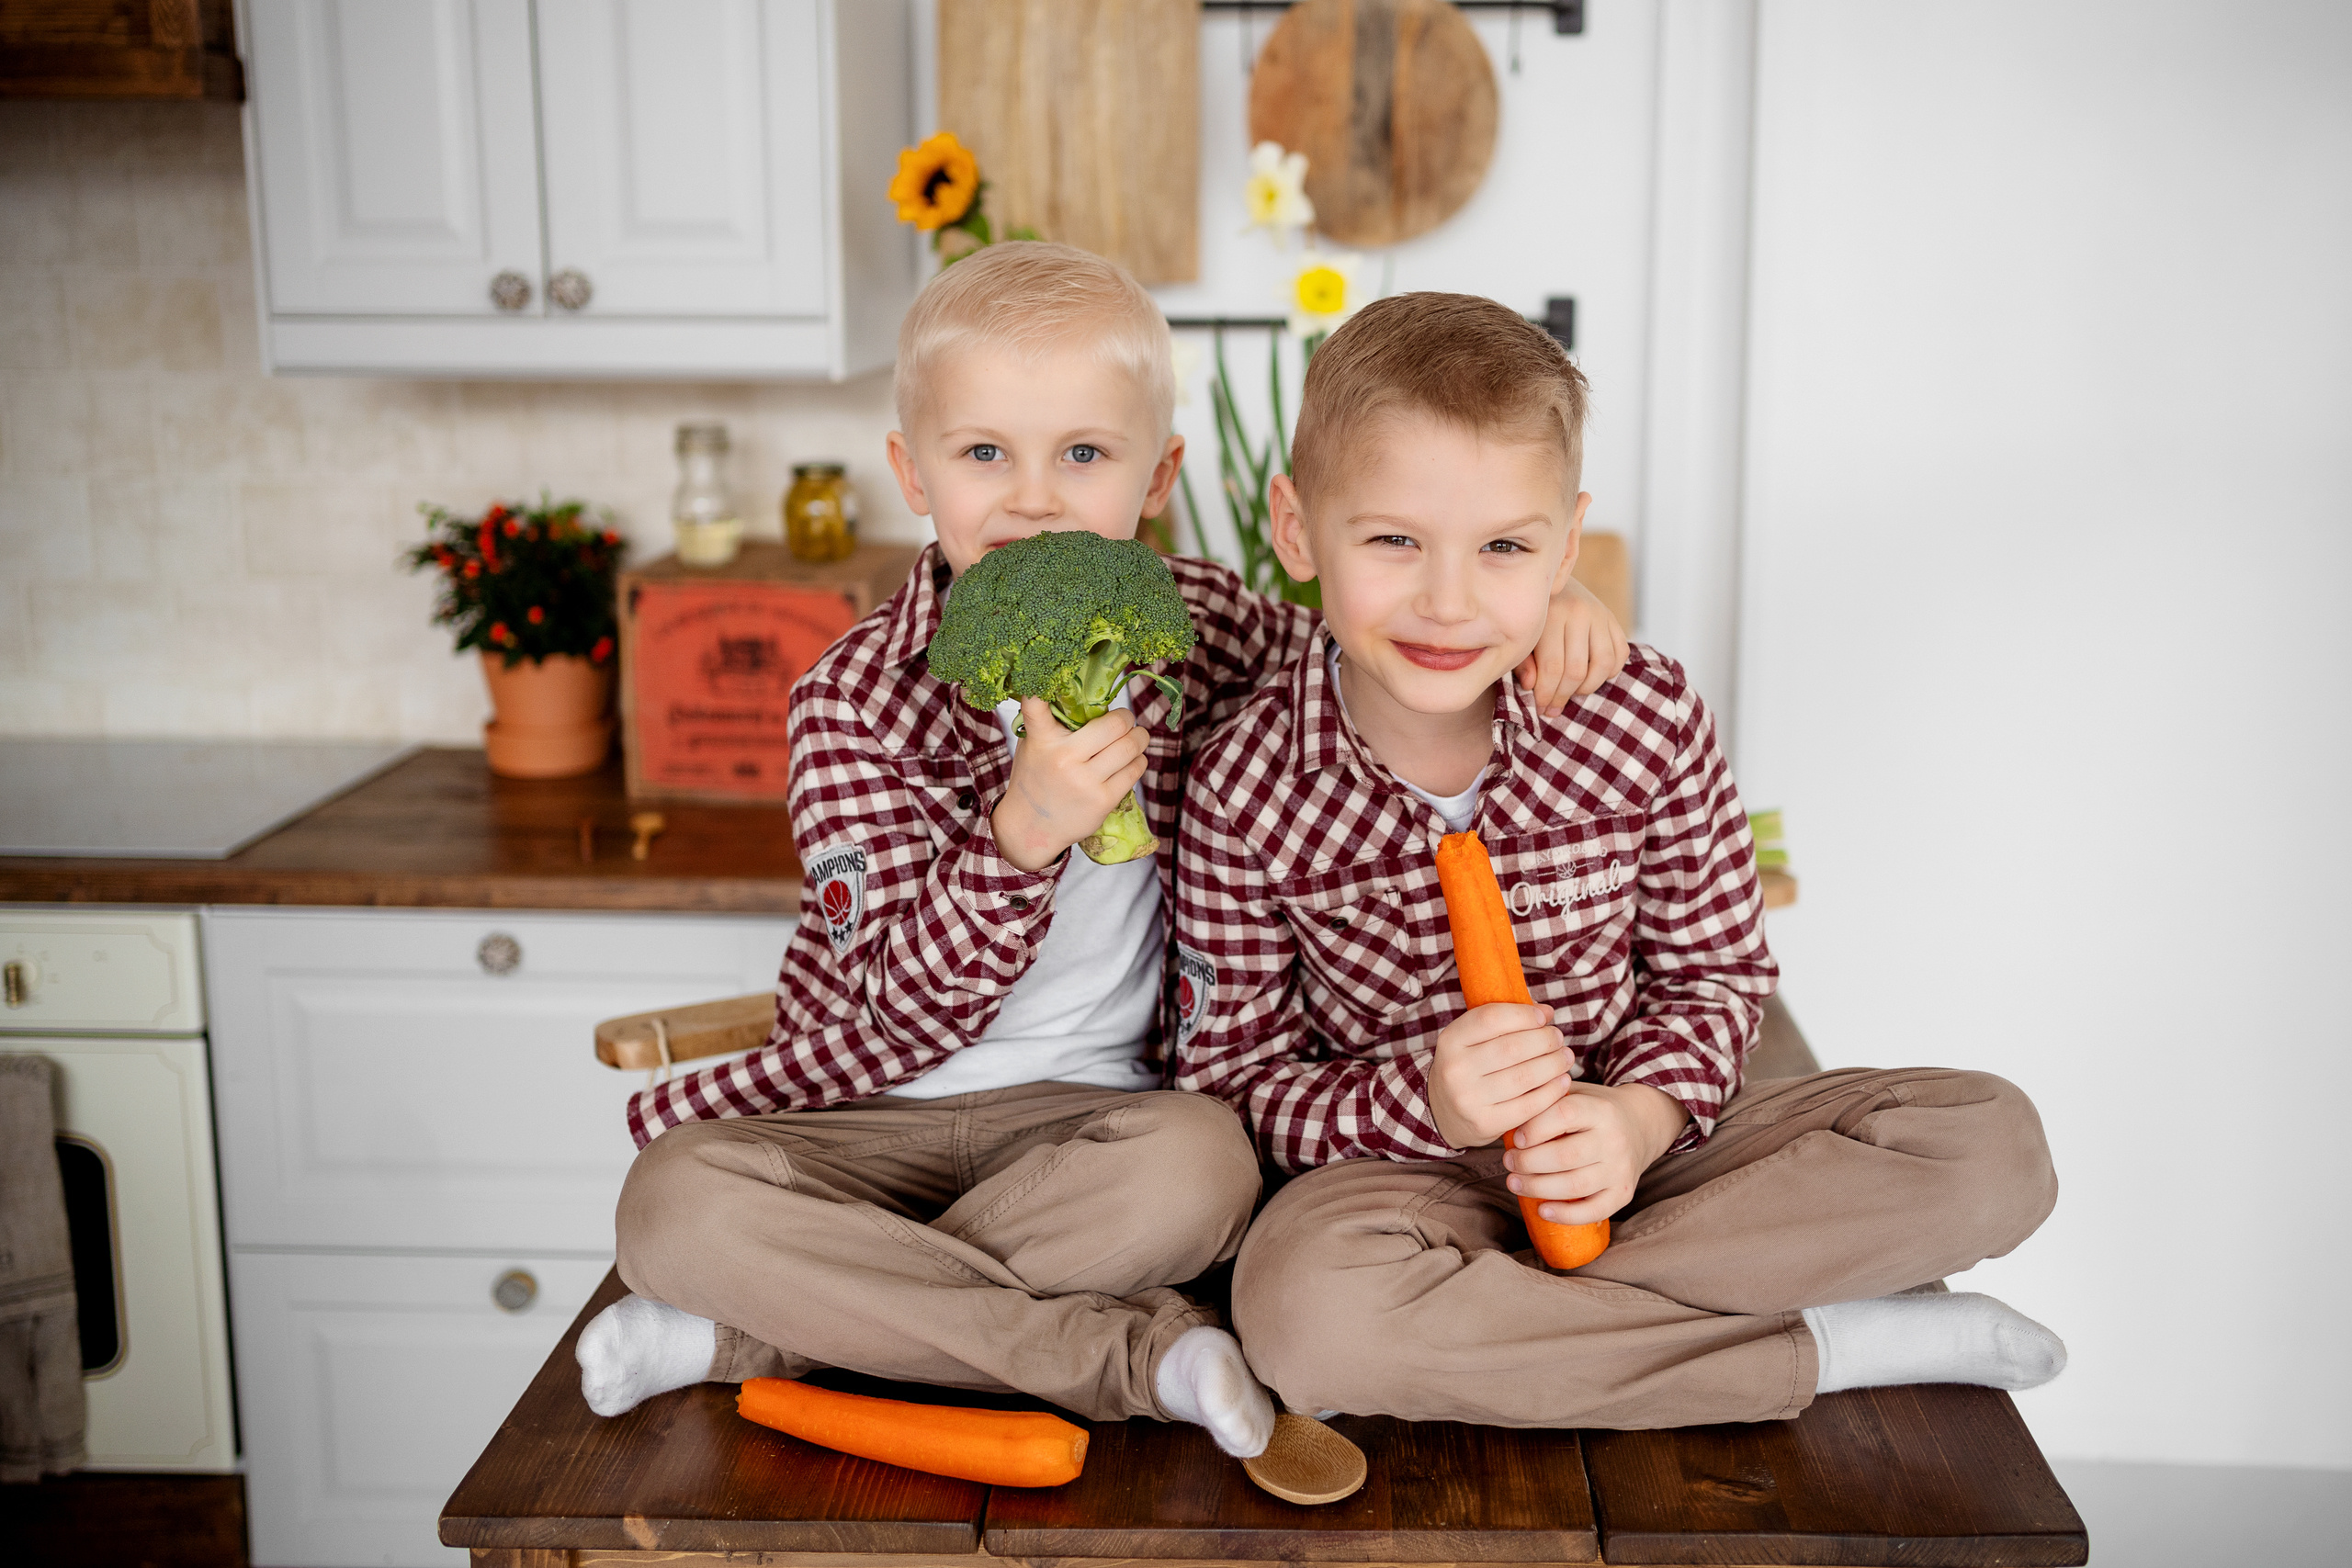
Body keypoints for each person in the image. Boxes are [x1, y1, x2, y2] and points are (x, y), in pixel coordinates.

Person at [572, 245, 1630, 1454]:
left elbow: (1382, 650)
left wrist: (1548, 607)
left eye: (1084, 453)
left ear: (1159, 473)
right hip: (862, 1118)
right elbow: (900, 1001)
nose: (1033, 501)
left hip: (1103, 1134)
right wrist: (1021, 832)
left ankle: (762, 1337)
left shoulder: (1207, 629)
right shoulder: (852, 699)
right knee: (666, 1208)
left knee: (1210, 1169)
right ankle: (1129, 1354)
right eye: (985, 454)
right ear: (912, 473)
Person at [1170, 291, 2064, 1429]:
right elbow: (1233, 1086)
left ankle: (1519, 1332)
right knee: (1303, 1315)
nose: (1447, 599)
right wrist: (1429, 1103)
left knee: (1992, 1146)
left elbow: (1717, 976)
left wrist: (1636, 1121)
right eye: (1393, 540)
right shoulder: (1246, 782)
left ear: (1566, 542)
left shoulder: (1641, 714)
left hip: (1657, 1173)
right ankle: (1821, 1346)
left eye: (1503, 547)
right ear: (1297, 529)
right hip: (1404, 1189)